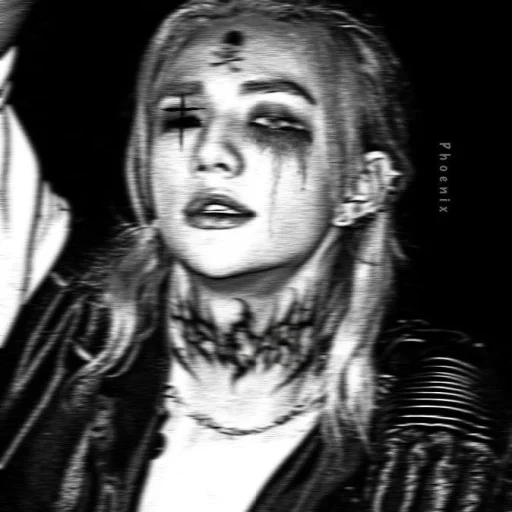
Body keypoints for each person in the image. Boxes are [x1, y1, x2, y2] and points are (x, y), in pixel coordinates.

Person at [0, 0, 510, 510]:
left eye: (273, 120)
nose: (210, 153)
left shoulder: (422, 457)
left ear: (361, 186)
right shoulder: (48, 326)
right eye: (181, 117)